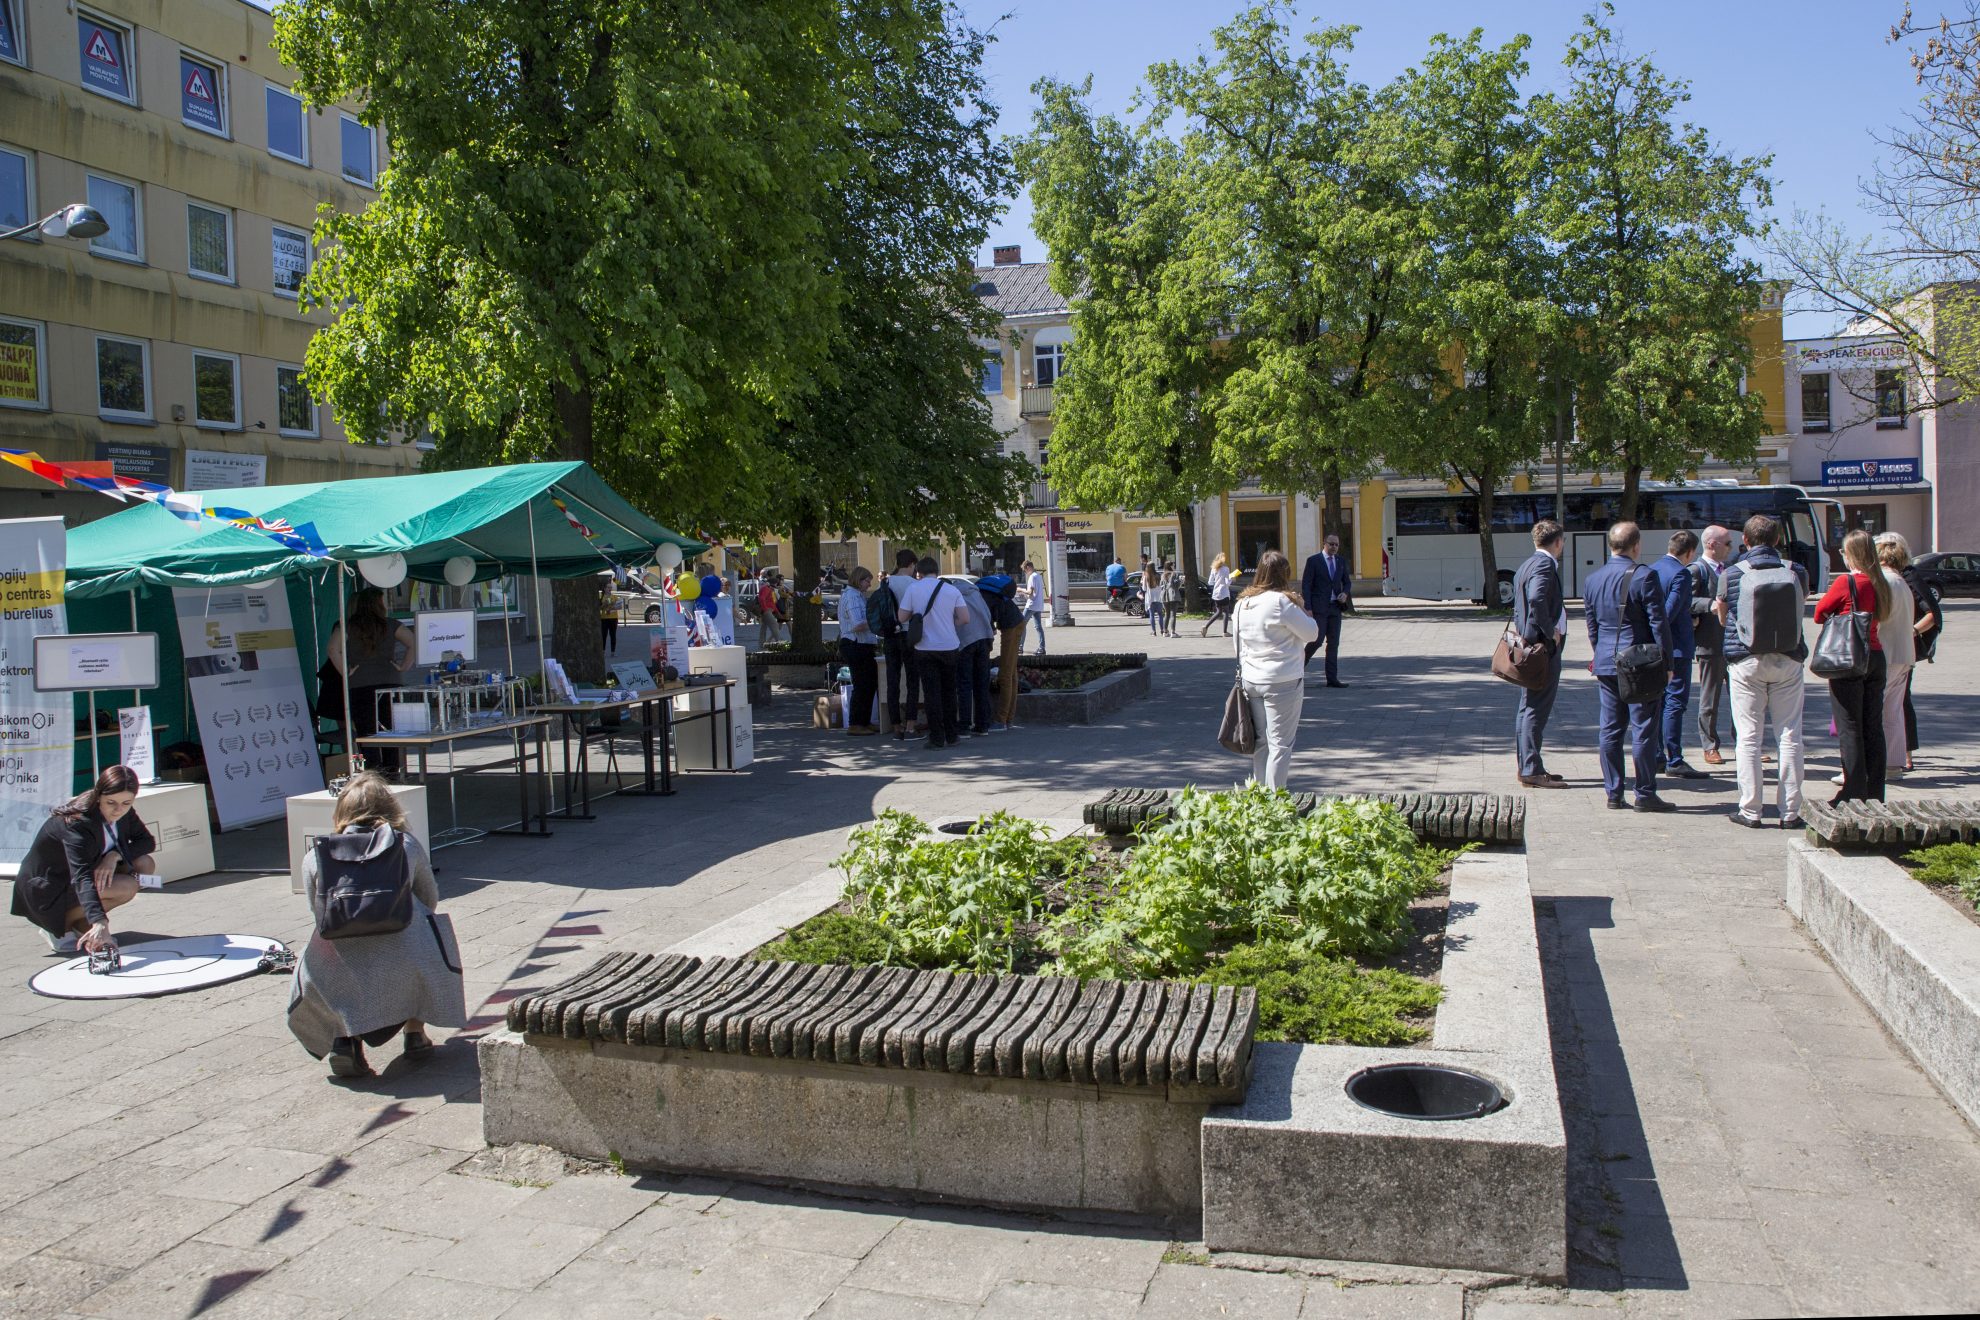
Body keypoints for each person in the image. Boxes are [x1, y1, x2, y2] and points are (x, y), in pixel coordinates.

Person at [289, 772, 464, 1078]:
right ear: (389, 807)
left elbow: (319, 915)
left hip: (338, 964)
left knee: (323, 959)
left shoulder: (314, 856)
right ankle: (414, 1032)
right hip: (404, 958)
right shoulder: (405, 844)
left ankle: (345, 1039)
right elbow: (429, 899)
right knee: (428, 938)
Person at [1714, 514, 1810, 828]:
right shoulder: (1796, 570)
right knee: (1790, 736)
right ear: (1778, 540)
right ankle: (1791, 812)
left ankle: (1751, 810)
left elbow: (1722, 618)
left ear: (1745, 540)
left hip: (1746, 661)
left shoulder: (1731, 574)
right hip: (1788, 658)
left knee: (1749, 738)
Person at [11, 765, 153, 955]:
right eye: (111, 802)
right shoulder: (76, 824)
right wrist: (102, 922)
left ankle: (82, 924)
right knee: (127, 886)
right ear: (98, 795)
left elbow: (147, 841)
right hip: (49, 889)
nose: (118, 810)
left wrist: (114, 855)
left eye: (126, 803)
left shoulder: (125, 812)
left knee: (145, 863)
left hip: (81, 876)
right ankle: (59, 928)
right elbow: (82, 877)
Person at [1584, 521, 1672, 812]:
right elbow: (1659, 623)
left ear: (1610, 545)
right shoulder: (1645, 576)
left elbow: (1592, 626)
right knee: (1643, 728)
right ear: (1637, 545)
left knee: (1610, 729)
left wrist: (1600, 654)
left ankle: (1613, 792)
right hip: (1640, 663)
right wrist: (1667, 663)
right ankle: (1645, 793)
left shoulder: (1593, 579)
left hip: (1607, 661)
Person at [1814, 528, 1891, 804]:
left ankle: (1853, 789)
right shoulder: (1880, 581)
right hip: (1876, 655)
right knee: (1873, 725)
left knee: (1849, 726)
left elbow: (1819, 612)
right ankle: (1875, 791)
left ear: (1852, 555)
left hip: (1849, 658)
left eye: (1844, 552)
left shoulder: (1847, 582)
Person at [1233, 550, 1320, 789]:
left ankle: (1259, 795)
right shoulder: (1282, 602)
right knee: (1281, 745)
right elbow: (1312, 633)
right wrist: (1301, 606)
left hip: (1252, 680)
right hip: (1282, 680)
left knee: (1261, 742)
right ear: (1284, 574)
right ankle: (1275, 801)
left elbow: (1237, 645)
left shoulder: (1242, 604)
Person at [327, 588, 416, 772]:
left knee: (367, 732)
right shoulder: (390, 624)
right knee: (391, 730)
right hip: (390, 681)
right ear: (378, 604)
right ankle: (393, 771)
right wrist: (404, 666)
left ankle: (374, 772)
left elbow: (332, 649)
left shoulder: (347, 625)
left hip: (360, 684)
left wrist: (345, 671)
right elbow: (413, 642)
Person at [1512, 519, 1568, 789]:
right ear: (1557, 542)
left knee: (1528, 707)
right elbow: (1535, 600)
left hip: (1530, 646)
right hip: (1542, 649)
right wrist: (1551, 633)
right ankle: (1532, 769)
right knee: (1536, 708)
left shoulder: (1527, 564)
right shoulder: (1545, 564)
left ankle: (1528, 766)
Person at [898, 556, 971, 749]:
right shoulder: (951, 589)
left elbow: (901, 616)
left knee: (932, 695)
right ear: (936, 572)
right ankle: (952, 735)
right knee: (949, 692)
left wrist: (918, 616)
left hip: (924, 648)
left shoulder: (913, 589)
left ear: (918, 573)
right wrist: (949, 623)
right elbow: (964, 618)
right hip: (949, 646)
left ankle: (937, 738)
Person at [1648, 531, 1703, 778]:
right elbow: (1668, 612)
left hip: (1653, 647)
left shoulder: (1651, 569)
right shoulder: (1681, 573)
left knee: (1658, 702)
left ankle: (1658, 755)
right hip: (1676, 648)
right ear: (1690, 552)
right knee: (1675, 703)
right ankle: (1675, 758)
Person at [1885, 532, 1942, 768]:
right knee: (1898, 699)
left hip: (1903, 647)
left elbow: (1933, 614)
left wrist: (1913, 631)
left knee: (1901, 699)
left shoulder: (1908, 576)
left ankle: (1906, 754)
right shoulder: (1896, 576)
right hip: (1895, 647)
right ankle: (1901, 753)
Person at [1689, 525, 1734, 765]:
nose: (1731, 547)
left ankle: (1745, 744)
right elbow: (1685, 601)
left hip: (1733, 644)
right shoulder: (1697, 570)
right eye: (1727, 543)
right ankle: (1710, 745)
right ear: (1711, 544)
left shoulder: (1729, 569)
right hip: (1709, 643)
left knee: (1740, 697)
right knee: (1710, 698)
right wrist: (1709, 605)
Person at [1874, 533, 1916, 781]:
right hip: (1904, 653)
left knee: (1876, 711)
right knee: (1893, 711)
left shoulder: (1884, 582)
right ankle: (1893, 763)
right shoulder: (1901, 582)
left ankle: (1877, 764)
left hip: (1886, 653)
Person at [1300, 533, 1353, 687]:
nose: (1334, 547)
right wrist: (1308, 607)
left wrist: (1345, 593)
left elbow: (1347, 582)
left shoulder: (1341, 561)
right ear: (1324, 544)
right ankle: (1296, 669)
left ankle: (1332, 679)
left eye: (1336, 545)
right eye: (1331, 544)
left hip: (1335, 607)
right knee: (1317, 640)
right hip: (1318, 608)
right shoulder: (1313, 561)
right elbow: (1306, 585)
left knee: (1333, 643)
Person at [882, 550, 921, 739]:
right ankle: (911, 723)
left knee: (892, 681)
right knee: (913, 680)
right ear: (912, 564)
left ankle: (896, 725)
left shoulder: (886, 582)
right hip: (908, 634)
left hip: (890, 635)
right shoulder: (914, 585)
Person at [950, 574, 996, 736]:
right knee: (982, 683)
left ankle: (964, 726)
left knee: (964, 684)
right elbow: (988, 615)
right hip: (984, 638)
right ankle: (983, 725)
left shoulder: (953, 595)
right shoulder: (976, 592)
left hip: (966, 641)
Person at [837, 567, 880, 735]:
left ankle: (864, 720)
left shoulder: (857, 595)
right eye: (867, 581)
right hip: (855, 644)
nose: (869, 585)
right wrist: (876, 621)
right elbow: (857, 625)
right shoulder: (853, 597)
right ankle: (855, 723)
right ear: (858, 579)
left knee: (869, 683)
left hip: (862, 644)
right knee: (862, 684)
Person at [1201, 553, 1235, 637]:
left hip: (1216, 593)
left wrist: (1217, 581)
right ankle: (1225, 632)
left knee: (1218, 611)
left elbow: (1210, 582)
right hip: (1224, 593)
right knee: (1226, 612)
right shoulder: (1226, 569)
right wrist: (1231, 578)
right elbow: (1227, 583)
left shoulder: (1214, 569)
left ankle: (1206, 626)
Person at [1021, 559, 1048, 656]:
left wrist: (1020, 589)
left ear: (1028, 567)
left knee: (1021, 625)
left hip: (1031, 605)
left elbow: (1030, 592)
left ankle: (1020, 647)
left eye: (1025, 570)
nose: (1025, 573)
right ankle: (1042, 648)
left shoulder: (1032, 577)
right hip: (1038, 605)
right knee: (1038, 627)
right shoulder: (1039, 576)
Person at [1142, 559, 1166, 638]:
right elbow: (1162, 586)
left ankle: (1154, 631)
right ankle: (1162, 630)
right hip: (1158, 597)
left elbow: (1144, 589)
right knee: (1160, 615)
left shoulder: (1146, 577)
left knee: (1151, 615)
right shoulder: (1158, 575)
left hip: (1150, 598)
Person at [598, 575, 621, 654]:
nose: (610, 589)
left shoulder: (614, 597)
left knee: (613, 635)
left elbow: (619, 606)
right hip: (604, 618)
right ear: (604, 588)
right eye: (608, 587)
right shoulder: (601, 596)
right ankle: (603, 650)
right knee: (604, 635)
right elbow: (599, 608)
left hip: (613, 618)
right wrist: (604, 605)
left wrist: (611, 607)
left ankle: (613, 651)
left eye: (610, 587)